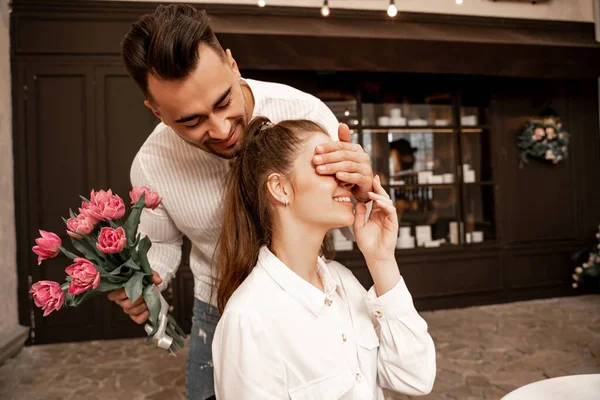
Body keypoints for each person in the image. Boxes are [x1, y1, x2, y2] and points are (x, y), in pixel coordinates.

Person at [107, 4, 374, 400]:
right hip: (217, 309)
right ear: (157, 111)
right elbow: (159, 244)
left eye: (222, 102)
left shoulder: (306, 113)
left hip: (315, 302)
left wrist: (361, 184)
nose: (221, 130)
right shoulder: (152, 165)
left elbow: (349, 205)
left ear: (232, 64)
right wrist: (145, 284)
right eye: (191, 121)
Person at [213, 117, 436, 399]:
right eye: (327, 166)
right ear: (280, 188)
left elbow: (416, 378)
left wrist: (381, 260)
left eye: (344, 166)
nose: (346, 179)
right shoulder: (249, 319)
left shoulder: (344, 283)